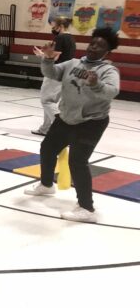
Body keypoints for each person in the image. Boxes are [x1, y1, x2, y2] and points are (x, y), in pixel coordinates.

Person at [24, 27, 120, 223]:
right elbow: (51, 73)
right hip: (66, 117)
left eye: (100, 46)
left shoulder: (108, 70)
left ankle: (87, 208)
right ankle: (46, 185)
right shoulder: (73, 63)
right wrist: (48, 59)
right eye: (93, 43)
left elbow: (112, 91)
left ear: (107, 51)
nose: (94, 47)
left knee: (77, 161)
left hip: (91, 122)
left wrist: (96, 84)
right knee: (47, 148)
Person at [32, 16, 76, 135]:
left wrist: (41, 54)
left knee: (46, 101)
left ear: (60, 26)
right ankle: (45, 128)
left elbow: (54, 57)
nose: (53, 28)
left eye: (54, 26)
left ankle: (59, 127)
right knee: (50, 101)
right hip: (66, 73)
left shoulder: (60, 38)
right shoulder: (71, 39)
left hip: (55, 72)